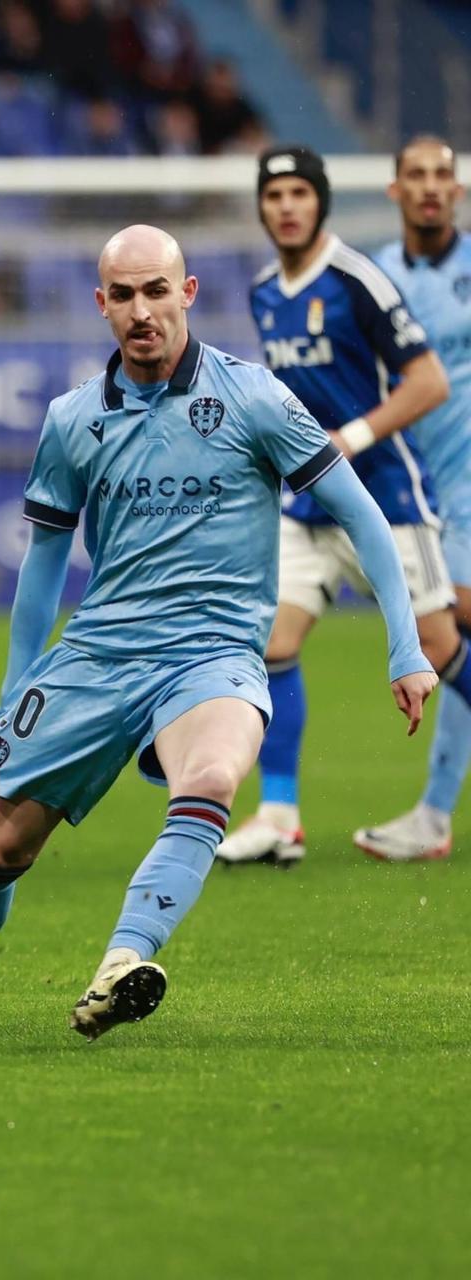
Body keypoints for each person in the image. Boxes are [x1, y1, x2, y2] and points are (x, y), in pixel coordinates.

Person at [0, 226, 434, 1041]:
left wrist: (404, 645)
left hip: (214, 654)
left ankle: (121, 965)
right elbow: (42, 568)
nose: (143, 311)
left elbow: (361, 513)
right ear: (101, 304)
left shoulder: (256, 398)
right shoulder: (72, 420)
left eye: (157, 291)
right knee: (0, 843)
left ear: (188, 293)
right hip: (99, 655)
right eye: (124, 295)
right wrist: (15, 692)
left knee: (208, 777)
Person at [218, 146, 456, 867]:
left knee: (442, 651)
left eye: (299, 192)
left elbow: (429, 382)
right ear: (261, 206)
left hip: (384, 496)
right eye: (274, 194)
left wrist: (347, 438)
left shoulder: (357, 277)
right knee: (272, 646)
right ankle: (280, 817)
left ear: (320, 201)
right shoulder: (264, 290)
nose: (286, 205)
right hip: (308, 505)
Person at [357, 136, 471, 861]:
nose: (431, 187)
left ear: (456, 190)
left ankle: (433, 813)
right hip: (412, 488)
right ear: (396, 190)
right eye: (416, 176)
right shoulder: (373, 277)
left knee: (452, 625)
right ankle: (433, 813)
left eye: (442, 175)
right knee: (454, 637)